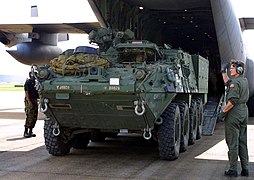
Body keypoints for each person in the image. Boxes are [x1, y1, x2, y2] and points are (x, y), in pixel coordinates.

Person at [219, 60, 249, 177]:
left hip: (234, 113)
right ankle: (245, 169)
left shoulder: (235, 83)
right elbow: (228, 83)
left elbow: (232, 101)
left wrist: (223, 111)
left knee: (232, 142)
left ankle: (233, 169)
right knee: (242, 141)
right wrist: (223, 72)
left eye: (232, 68)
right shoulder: (243, 80)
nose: (230, 70)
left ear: (239, 70)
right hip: (243, 112)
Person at [23, 71, 39, 138]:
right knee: (29, 116)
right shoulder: (28, 82)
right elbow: (27, 93)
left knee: (34, 116)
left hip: (34, 100)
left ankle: (30, 131)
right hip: (29, 100)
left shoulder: (35, 83)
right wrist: (29, 102)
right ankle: (26, 132)